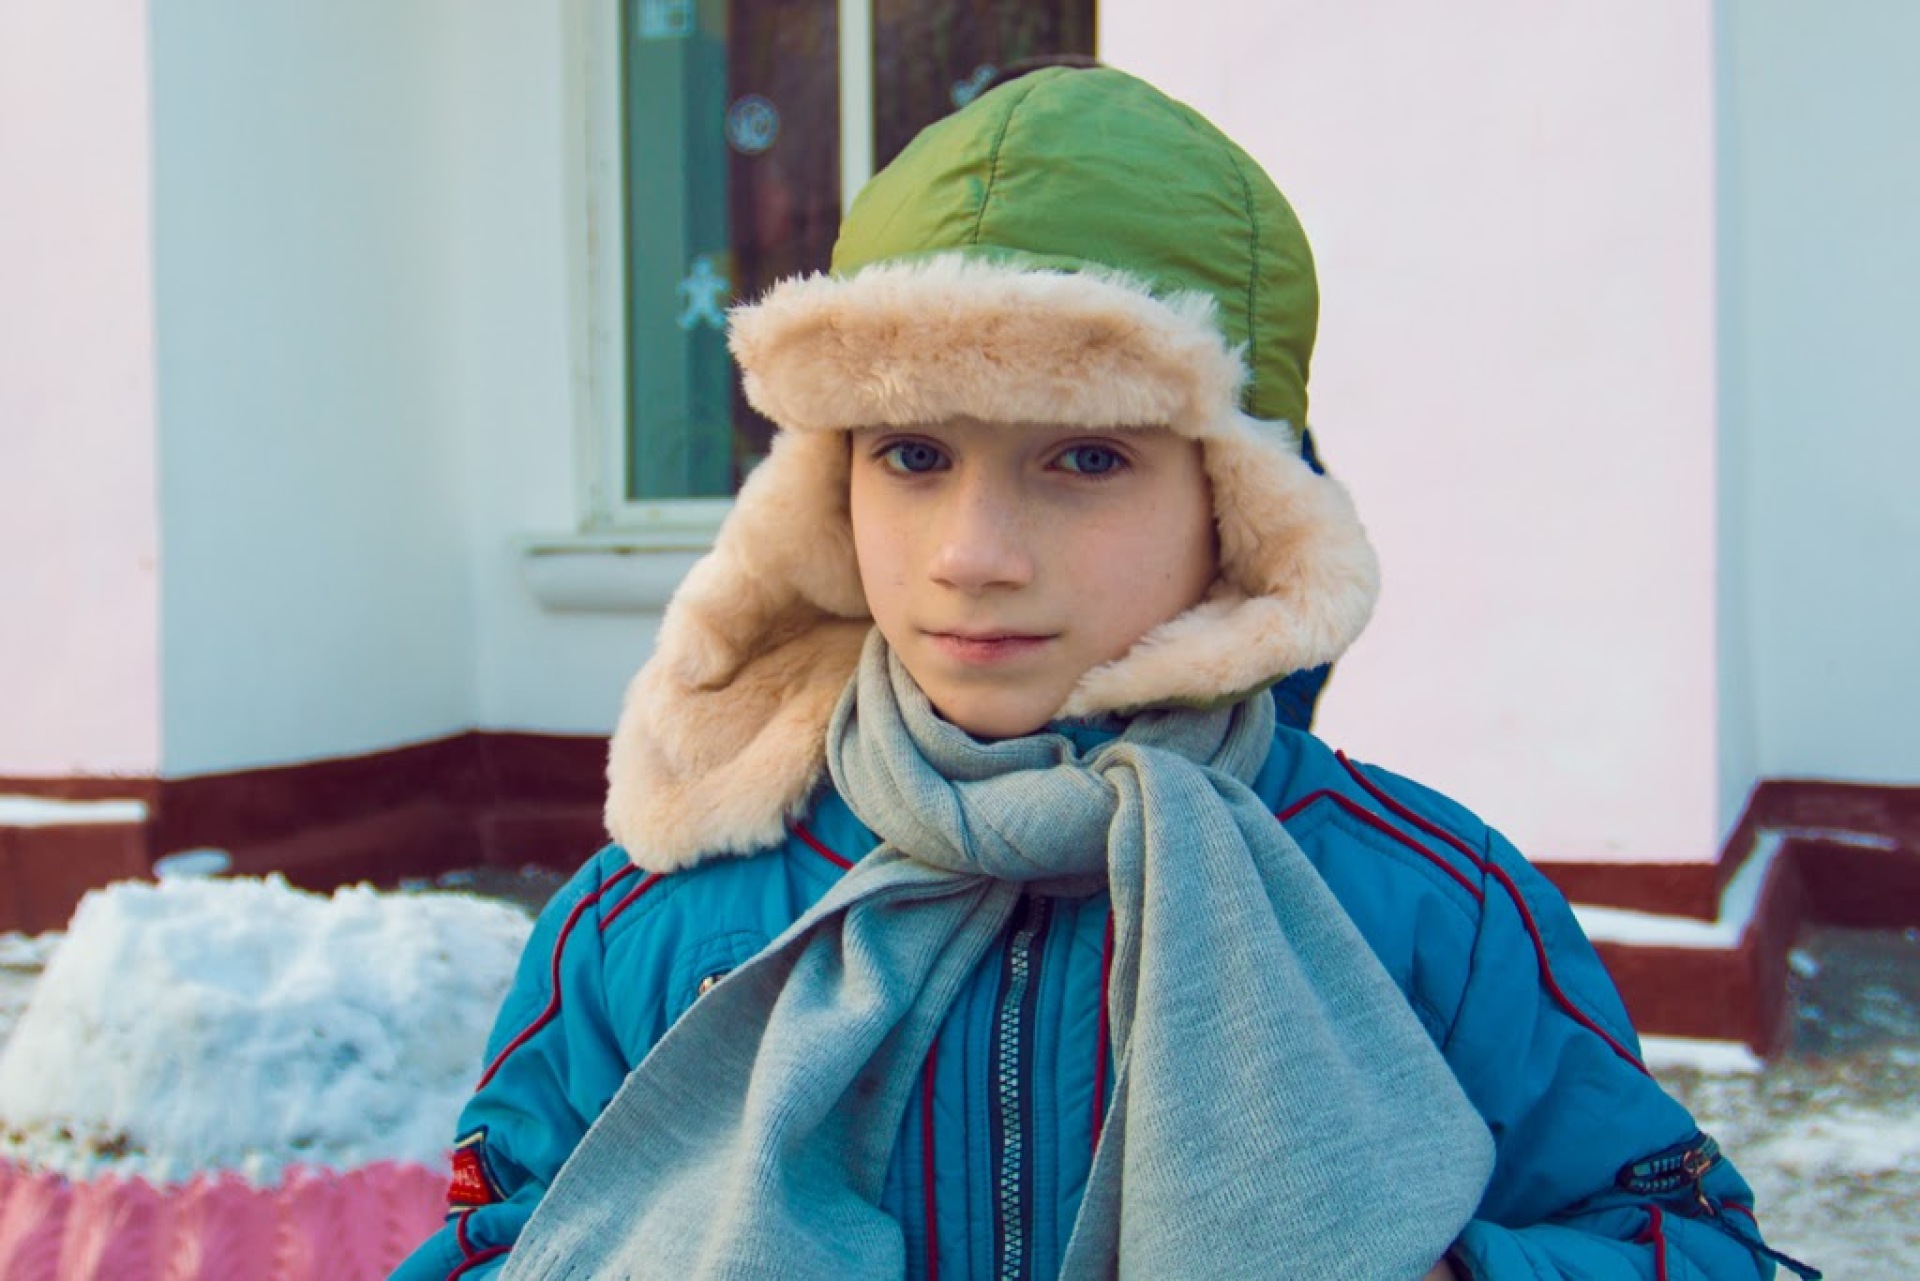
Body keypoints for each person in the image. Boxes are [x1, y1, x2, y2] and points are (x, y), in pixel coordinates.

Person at [395, 65, 1809, 1281]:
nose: (973, 555)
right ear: (827, 490)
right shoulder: (653, 918)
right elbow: (497, 1239)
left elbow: (1690, 1242)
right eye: (912, 454)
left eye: (1085, 457)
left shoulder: (1430, 910)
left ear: (1238, 507)